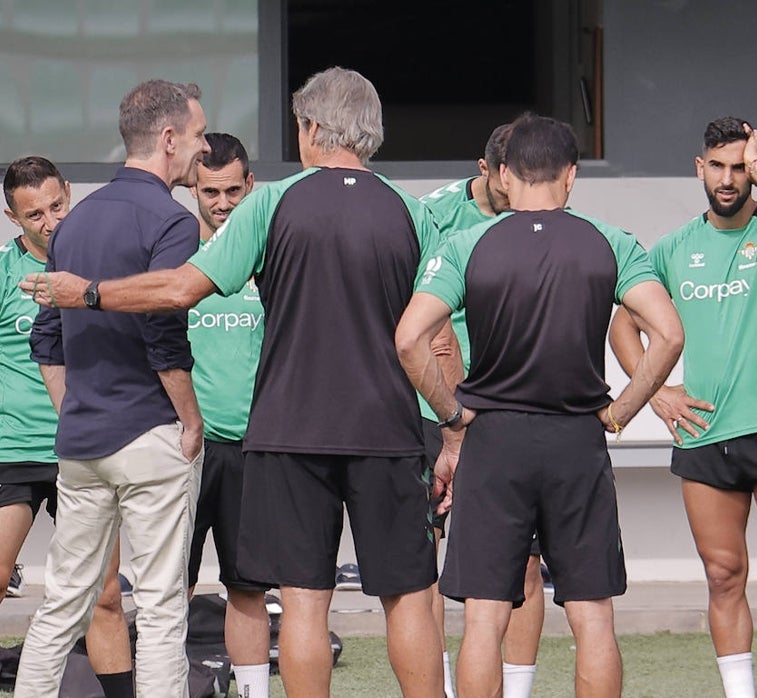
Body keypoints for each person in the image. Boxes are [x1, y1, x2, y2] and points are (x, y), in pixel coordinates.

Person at [23, 66, 447, 698]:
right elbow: (435, 337)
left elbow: (178, 288)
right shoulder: (413, 213)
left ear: (310, 128)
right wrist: (456, 424)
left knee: (303, 603)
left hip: (289, 432)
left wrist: (87, 292)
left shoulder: (271, 205)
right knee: (409, 597)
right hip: (388, 427)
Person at [397, 113, 683, 698]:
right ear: (571, 176)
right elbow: (669, 334)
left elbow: (408, 339)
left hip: (493, 444)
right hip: (577, 441)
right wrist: (621, 411)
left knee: (483, 618)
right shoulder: (612, 241)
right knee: (593, 617)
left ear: (505, 172)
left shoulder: (465, 243)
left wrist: (453, 414)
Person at [609, 117, 757, 698]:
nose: (728, 178)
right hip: (704, 438)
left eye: (739, 166)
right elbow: (624, 322)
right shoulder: (671, 249)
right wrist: (657, 393)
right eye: (717, 165)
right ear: (700, 168)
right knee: (723, 578)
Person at [12, 79, 209, 698]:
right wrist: (191, 420)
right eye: (199, 136)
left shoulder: (74, 222)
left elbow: (46, 338)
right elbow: (163, 335)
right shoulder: (174, 220)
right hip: (151, 434)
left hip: (83, 441)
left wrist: (71, 406)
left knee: (61, 604)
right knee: (159, 608)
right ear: (169, 138)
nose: (202, 150)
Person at [0, 156, 132, 698]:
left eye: (56, 206)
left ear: (69, 193)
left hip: (89, 451)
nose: (50, 221)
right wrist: (9, 417)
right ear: (11, 215)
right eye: (33, 214)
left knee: (105, 594)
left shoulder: (104, 270)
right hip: (16, 452)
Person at [420, 122, 547, 698]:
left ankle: (514, 690)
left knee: (522, 562)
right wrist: (454, 415)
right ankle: (443, 683)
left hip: (514, 411)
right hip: (440, 410)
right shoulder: (434, 217)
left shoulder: (540, 213)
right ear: (487, 169)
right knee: (432, 560)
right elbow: (425, 328)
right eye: (507, 180)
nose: (516, 191)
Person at [185, 132, 271, 698]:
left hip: (253, 448)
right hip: (183, 450)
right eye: (210, 191)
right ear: (192, 188)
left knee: (248, 589)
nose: (221, 203)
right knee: (170, 589)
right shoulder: (173, 262)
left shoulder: (272, 262)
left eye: (232, 191)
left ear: (251, 187)